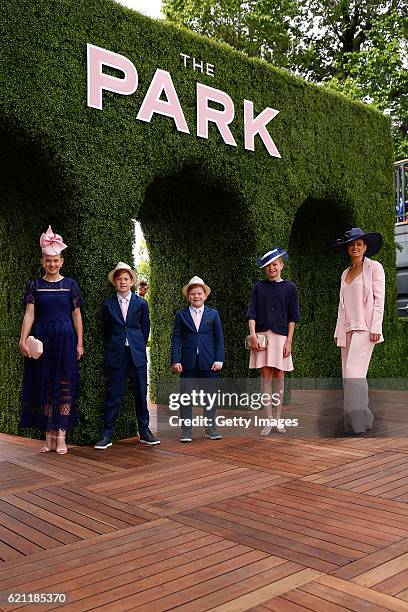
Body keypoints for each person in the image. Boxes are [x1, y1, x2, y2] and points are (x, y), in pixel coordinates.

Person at [19, 226, 84, 455]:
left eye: (55, 260)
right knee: (45, 387)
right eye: (48, 261)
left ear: (62, 261)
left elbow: (77, 315)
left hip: (66, 339)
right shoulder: (35, 285)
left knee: (64, 388)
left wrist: (80, 343)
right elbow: (29, 314)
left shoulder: (71, 284)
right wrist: (23, 339)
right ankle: (48, 437)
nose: (52, 264)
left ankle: (62, 436)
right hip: (42, 340)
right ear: (42, 261)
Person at [94, 262, 159, 449]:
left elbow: (145, 329)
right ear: (114, 282)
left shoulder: (141, 303)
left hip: (137, 354)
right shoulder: (107, 305)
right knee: (114, 394)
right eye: (119, 279)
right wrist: (117, 344)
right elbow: (106, 330)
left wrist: (136, 344)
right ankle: (107, 434)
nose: (122, 281)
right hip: (117, 354)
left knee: (140, 392)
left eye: (126, 279)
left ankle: (145, 432)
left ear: (132, 281)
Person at [333, 227, 385, 434]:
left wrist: (376, 327)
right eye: (352, 244)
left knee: (355, 373)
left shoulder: (375, 268)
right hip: (347, 329)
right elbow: (341, 305)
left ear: (365, 247)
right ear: (348, 249)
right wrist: (338, 330)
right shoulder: (345, 273)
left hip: (365, 329)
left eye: (359, 244)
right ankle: (363, 418)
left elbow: (379, 300)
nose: (355, 247)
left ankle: (356, 424)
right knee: (349, 376)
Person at [246, 248, 300, 435]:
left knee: (279, 376)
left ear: (281, 265)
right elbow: (251, 313)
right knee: (266, 378)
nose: (271, 268)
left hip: (281, 338)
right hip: (262, 337)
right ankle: (268, 420)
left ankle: (278, 419)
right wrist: (252, 334)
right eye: (268, 265)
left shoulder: (290, 288)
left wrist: (289, 342)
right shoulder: (258, 287)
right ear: (264, 268)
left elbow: (293, 317)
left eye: (275, 264)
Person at [171, 276, 225, 442]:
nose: (196, 296)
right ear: (188, 296)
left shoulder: (213, 314)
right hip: (187, 363)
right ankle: (186, 431)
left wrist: (219, 359)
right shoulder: (181, 314)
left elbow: (219, 338)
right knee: (185, 397)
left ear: (205, 295)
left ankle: (210, 428)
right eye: (193, 293)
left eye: (199, 293)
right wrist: (175, 360)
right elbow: (176, 338)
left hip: (209, 363)